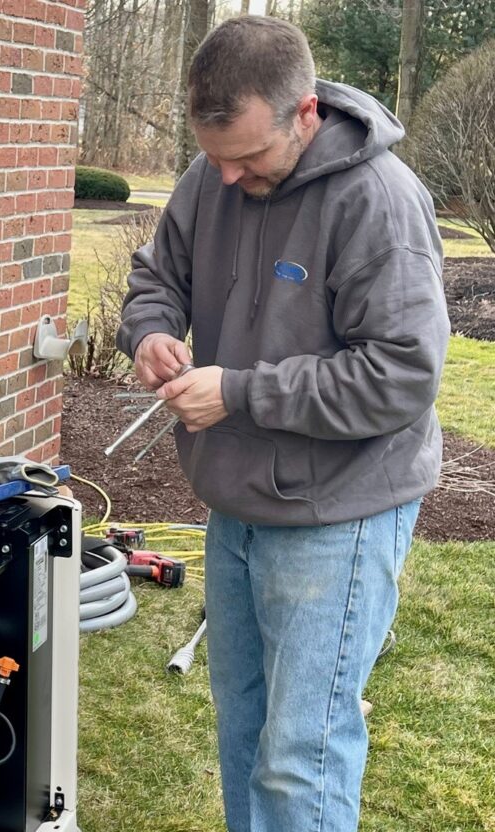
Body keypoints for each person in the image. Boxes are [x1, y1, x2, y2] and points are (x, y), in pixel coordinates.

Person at [116, 15, 450, 832]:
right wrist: (152, 330)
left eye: (248, 159)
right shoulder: (214, 174)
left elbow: (401, 374)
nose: (227, 178)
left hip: (339, 511)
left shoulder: (380, 203)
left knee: (301, 752)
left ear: (306, 114)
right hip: (237, 505)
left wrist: (243, 392)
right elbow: (156, 276)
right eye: (215, 156)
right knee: (245, 729)